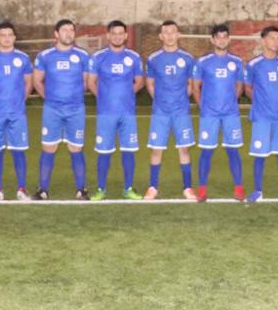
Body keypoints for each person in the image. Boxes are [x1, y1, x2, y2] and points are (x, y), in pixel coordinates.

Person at [33, 19, 91, 200]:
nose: (68, 33)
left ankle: (81, 190)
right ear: (56, 34)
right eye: (64, 30)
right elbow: (37, 81)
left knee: (76, 148)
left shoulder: (83, 56)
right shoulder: (45, 56)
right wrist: (51, 99)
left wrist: (72, 97)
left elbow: (86, 82)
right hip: (52, 110)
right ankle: (42, 190)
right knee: (49, 147)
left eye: (71, 30)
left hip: (76, 110)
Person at [88, 20, 144, 200]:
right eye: (114, 33)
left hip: (127, 113)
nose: (118, 36)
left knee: (129, 150)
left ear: (126, 36)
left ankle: (129, 188)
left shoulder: (134, 57)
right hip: (106, 113)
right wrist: (104, 98)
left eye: (121, 33)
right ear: (108, 35)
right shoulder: (98, 57)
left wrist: (125, 95)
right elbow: (91, 82)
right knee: (104, 151)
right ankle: (101, 189)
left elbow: (139, 82)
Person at [0, 21, 33, 201]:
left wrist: (20, 101)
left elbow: (28, 83)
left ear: (14, 38)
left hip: (17, 113)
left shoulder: (23, 58)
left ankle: (22, 189)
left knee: (19, 150)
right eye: (3, 35)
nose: (7, 38)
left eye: (10, 35)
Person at [145, 20, 197, 200]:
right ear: (160, 36)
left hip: (181, 111)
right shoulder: (153, 59)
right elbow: (150, 84)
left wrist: (180, 101)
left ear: (178, 35)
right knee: (156, 150)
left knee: (184, 149)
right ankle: (153, 187)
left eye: (172, 32)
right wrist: (161, 101)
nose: (169, 35)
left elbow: (190, 84)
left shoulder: (188, 58)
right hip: (160, 112)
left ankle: (187, 188)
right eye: (165, 32)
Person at [192, 24, 245, 202]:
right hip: (210, 115)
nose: (221, 40)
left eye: (224, 37)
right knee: (206, 151)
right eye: (218, 37)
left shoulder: (236, 61)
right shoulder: (203, 61)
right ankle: (202, 189)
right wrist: (203, 106)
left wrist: (231, 103)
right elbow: (195, 87)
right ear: (212, 40)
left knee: (233, 151)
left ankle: (239, 188)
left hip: (231, 114)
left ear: (229, 39)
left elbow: (239, 86)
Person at [245, 26, 278, 203]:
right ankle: (257, 191)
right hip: (261, 117)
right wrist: (261, 102)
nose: (276, 41)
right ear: (263, 41)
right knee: (260, 155)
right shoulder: (254, 64)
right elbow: (248, 87)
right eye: (272, 38)